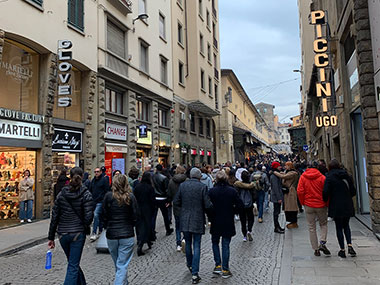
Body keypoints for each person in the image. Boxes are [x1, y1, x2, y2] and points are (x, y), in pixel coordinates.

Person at [48, 167, 93, 285]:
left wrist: (51, 237)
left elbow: (55, 216)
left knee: (73, 262)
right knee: (73, 265)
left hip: (63, 233)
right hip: (77, 233)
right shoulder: (86, 193)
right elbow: (88, 217)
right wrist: (83, 226)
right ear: (82, 176)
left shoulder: (62, 194)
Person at [174, 168, 213, 284]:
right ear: (199, 176)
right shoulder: (202, 187)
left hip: (185, 219)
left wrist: (183, 211)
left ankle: (190, 265)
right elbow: (207, 204)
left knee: (188, 244)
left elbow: (176, 201)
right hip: (197, 219)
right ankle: (195, 273)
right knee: (196, 245)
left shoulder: (182, 186)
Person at [102, 174, 138, 285]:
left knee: (119, 264)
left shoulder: (108, 197)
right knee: (122, 264)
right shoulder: (130, 197)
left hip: (112, 234)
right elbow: (136, 216)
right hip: (126, 234)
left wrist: (107, 225)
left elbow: (103, 215)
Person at [209, 171, 243, 279]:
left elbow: (207, 206)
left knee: (215, 242)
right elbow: (240, 205)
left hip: (215, 220)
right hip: (227, 220)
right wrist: (233, 211)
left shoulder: (212, 191)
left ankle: (218, 265)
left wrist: (210, 216)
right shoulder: (232, 191)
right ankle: (225, 269)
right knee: (225, 244)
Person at [323, 159, 357, 258]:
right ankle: (350, 245)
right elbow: (353, 191)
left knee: (338, 227)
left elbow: (325, 192)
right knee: (346, 225)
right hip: (347, 204)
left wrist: (326, 200)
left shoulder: (329, 177)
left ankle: (342, 250)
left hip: (336, 205)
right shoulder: (347, 175)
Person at [297, 161, 331, 256]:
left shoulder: (303, 177)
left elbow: (300, 191)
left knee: (311, 227)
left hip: (308, 205)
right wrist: (327, 203)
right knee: (323, 224)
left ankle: (315, 249)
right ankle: (323, 242)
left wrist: (302, 202)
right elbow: (326, 192)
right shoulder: (322, 178)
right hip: (321, 205)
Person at [133, 172, 156, 256]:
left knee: (139, 225)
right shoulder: (150, 188)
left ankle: (141, 239)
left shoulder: (137, 187)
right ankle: (142, 243)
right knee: (146, 226)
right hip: (147, 209)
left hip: (139, 208)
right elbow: (152, 200)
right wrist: (153, 209)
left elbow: (134, 198)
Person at [273, 161, 299, 229]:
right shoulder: (290, 172)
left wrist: (275, 172)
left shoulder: (293, 173)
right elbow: (284, 174)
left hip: (291, 191)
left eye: (286, 166)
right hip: (288, 191)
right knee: (288, 207)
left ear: (290, 166)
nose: (285, 167)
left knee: (291, 207)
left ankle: (293, 222)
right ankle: (291, 221)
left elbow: (283, 176)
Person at [167, 166, 187, 252]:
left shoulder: (171, 181)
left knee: (178, 225)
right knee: (186, 224)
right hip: (186, 204)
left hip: (176, 205)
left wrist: (169, 201)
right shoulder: (187, 180)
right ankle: (185, 239)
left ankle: (178, 244)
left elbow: (169, 193)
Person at [89, 167, 110, 241]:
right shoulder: (93, 180)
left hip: (101, 201)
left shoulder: (104, 180)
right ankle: (100, 230)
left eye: (97, 171)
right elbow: (90, 190)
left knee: (96, 215)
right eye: (95, 172)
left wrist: (103, 199)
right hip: (94, 201)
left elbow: (107, 190)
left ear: (101, 172)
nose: (96, 173)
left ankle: (94, 232)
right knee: (99, 216)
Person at [152, 164, 173, 236]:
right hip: (162, 198)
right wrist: (168, 200)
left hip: (154, 198)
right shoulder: (164, 178)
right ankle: (168, 229)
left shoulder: (152, 177)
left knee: (153, 216)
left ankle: (152, 230)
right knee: (165, 215)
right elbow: (166, 190)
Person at [234, 170, 256, 241]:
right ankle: (249, 230)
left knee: (243, 220)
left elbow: (236, 195)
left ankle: (244, 235)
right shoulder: (251, 185)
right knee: (251, 218)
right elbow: (255, 195)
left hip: (241, 205)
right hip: (249, 204)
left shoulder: (238, 185)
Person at [270, 162, 285, 234]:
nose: (280, 167)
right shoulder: (274, 176)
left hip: (277, 196)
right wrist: (279, 198)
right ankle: (276, 227)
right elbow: (275, 188)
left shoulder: (276, 175)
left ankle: (277, 226)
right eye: (279, 166)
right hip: (276, 197)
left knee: (277, 212)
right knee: (276, 213)